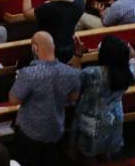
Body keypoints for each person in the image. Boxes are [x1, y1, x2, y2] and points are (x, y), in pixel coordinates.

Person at [9, 32, 81, 166]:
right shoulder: (71, 73)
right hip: (55, 130)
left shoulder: (29, 73)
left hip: (30, 133)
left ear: (35, 49)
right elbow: (73, 98)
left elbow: (14, 100)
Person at [71, 35, 130, 163]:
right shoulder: (127, 72)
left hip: (92, 119)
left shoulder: (92, 73)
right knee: (107, 151)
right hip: (115, 117)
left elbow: (73, 80)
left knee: (89, 154)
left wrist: (78, 54)